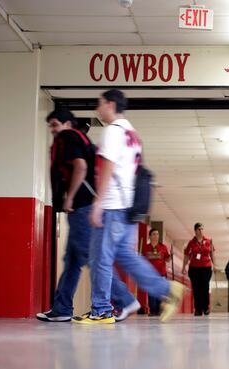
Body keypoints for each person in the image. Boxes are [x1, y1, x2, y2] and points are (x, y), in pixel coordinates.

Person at [73, 89, 183, 324]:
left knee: (100, 259)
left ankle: (101, 309)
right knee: (125, 255)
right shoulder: (131, 132)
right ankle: (166, 287)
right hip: (128, 207)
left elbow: (107, 169)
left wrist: (98, 204)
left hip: (112, 206)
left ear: (111, 104)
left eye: (99, 104)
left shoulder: (112, 132)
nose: (97, 108)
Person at [37, 109, 133, 322]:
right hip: (82, 208)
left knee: (94, 258)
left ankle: (124, 299)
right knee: (72, 261)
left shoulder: (68, 137)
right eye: (51, 125)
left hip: (82, 207)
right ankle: (61, 308)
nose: (52, 130)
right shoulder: (78, 138)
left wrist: (69, 197)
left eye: (55, 124)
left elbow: (80, 167)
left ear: (67, 124)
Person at [183, 223, 215, 316]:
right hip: (194, 268)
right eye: (199, 229)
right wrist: (183, 267)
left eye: (202, 229)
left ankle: (206, 308)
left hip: (206, 267)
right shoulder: (191, 242)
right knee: (196, 289)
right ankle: (198, 309)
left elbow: (212, 254)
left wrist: (215, 264)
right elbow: (186, 255)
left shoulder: (208, 241)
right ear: (195, 231)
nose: (201, 231)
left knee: (205, 287)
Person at [142, 228, 171, 316]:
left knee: (160, 293)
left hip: (161, 273)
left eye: (157, 234)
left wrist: (171, 255)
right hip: (150, 274)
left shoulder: (163, 247)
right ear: (150, 236)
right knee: (151, 293)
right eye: (154, 234)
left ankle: (159, 310)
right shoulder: (146, 247)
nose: (156, 236)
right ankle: (153, 310)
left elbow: (167, 259)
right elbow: (142, 260)